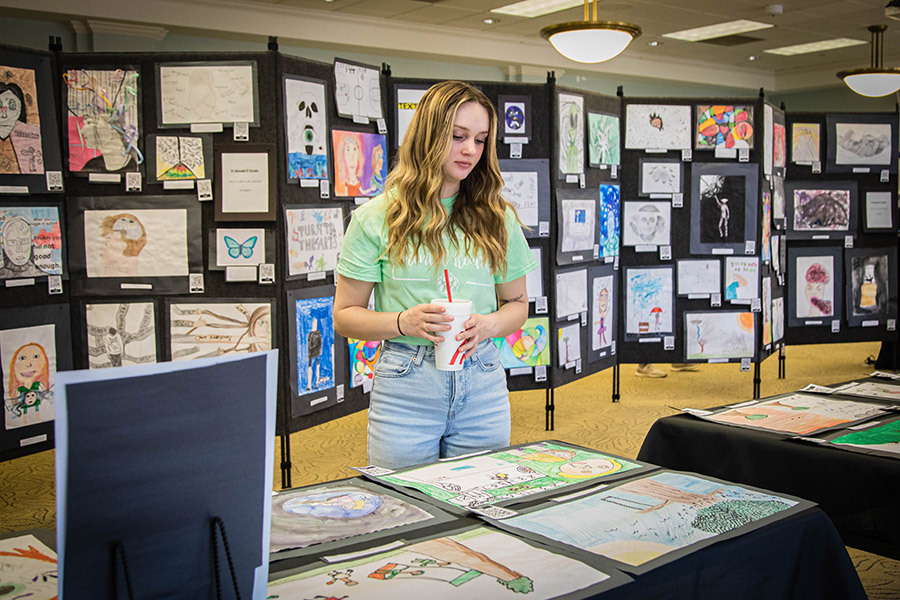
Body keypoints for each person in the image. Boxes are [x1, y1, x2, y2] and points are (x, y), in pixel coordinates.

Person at [334, 80, 537, 469]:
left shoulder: (498, 217)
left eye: (480, 140)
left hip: (482, 381)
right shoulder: (375, 219)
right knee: (407, 510)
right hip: (406, 383)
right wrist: (401, 321)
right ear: (428, 136)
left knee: (482, 504)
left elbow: (517, 305)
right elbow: (345, 315)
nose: (470, 151)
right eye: (458, 136)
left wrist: (489, 325)